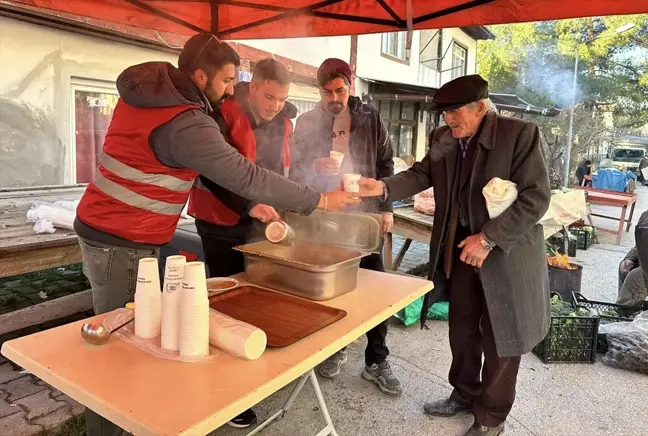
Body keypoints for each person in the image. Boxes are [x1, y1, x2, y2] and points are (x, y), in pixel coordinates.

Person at [74, 34, 358, 436]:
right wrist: (319, 201)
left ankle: (132, 419)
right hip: (120, 240)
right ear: (201, 75)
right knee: (117, 350)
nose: (231, 90)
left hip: (110, 230)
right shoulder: (185, 120)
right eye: (227, 81)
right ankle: (108, 430)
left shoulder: (150, 97)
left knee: (124, 335)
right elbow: (245, 175)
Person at [357, 74, 551, 436]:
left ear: (480, 108)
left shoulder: (519, 135)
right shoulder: (444, 138)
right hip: (460, 249)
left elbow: (536, 198)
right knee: (462, 330)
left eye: (454, 112)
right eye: (444, 113)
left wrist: (488, 238)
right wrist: (383, 187)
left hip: (503, 251)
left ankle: (490, 417)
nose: (448, 120)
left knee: (500, 337)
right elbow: (421, 174)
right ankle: (463, 394)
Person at [186, 58, 296, 428]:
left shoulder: (283, 123)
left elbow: (279, 174)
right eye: (269, 97)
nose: (275, 105)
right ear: (252, 86)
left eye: (282, 99)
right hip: (219, 220)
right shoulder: (222, 115)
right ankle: (227, 394)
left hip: (260, 221)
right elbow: (215, 174)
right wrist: (251, 205)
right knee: (227, 299)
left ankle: (253, 373)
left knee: (259, 296)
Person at [290, 58, 400, 395]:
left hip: (364, 216)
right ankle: (334, 347)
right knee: (331, 287)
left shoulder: (370, 117)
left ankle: (376, 359)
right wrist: (314, 164)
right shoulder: (307, 122)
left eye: (340, 90)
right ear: (319, 90)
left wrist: (386, 207)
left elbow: (386, 163)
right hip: (326, 218)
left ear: (350, 87)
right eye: (327, 92)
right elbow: (292, 168)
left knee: (375, 288)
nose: (333, 97)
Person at [618, 210, 648, 307]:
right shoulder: (646, 216)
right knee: (624, 267)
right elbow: (640, 244)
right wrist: (630, 258)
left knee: (635, 277)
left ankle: (625, 312)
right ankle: (623, 306)